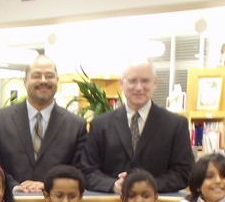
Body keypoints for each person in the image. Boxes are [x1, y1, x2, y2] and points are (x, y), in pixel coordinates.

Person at [82, 58, 193, 194]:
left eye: (145, 81)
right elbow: (87, 171)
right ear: (121, 84)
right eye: (133, 81)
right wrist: (114, 185)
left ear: (155, 83)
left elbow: (183, 173)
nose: (139, 87)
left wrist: (146, 186)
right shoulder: (100, 124)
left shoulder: (176, 125)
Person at [0, 54, 88, 192]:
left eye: (49, 76)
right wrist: (15, 186)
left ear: (57, 80)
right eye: (36, 76)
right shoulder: (0, 120)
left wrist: (49, 185)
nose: (43, 80)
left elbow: (81, 170)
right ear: (25, 81)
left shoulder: (76, 125)